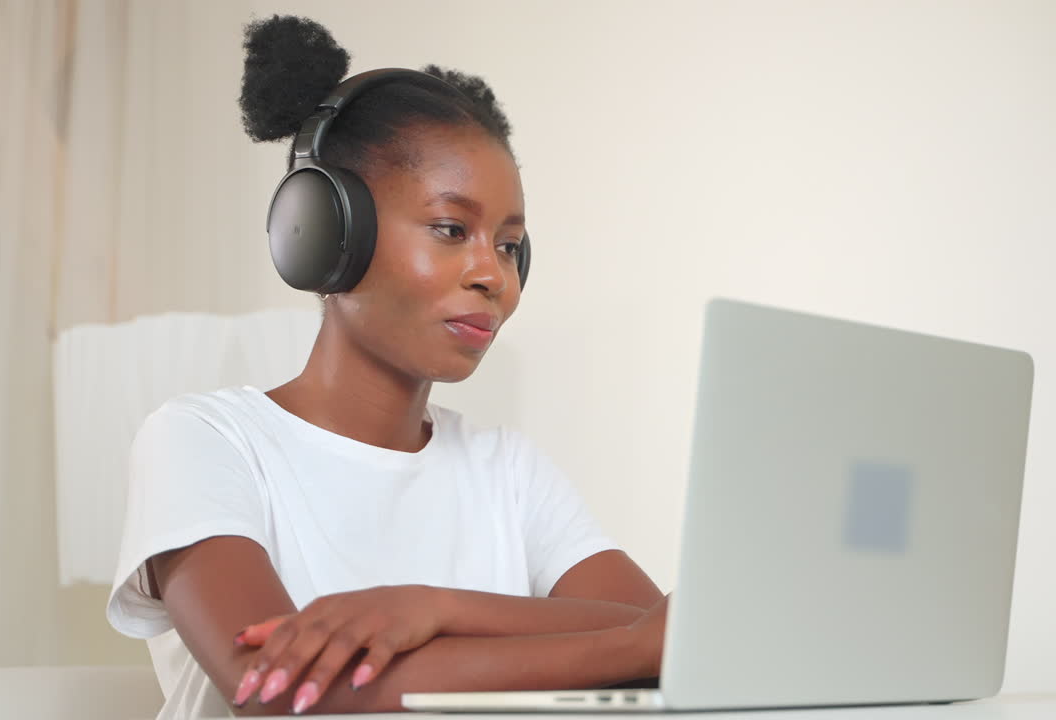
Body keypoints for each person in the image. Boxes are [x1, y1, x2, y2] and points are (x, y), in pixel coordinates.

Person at [106, 14, 667, 719]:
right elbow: (276, 692)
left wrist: (435, 608)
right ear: (327, 233)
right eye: (451, 229)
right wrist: (629, 646)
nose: (492, 274)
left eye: (508, 245)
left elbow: (684, 643)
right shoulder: (204, 440)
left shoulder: (510, 472)